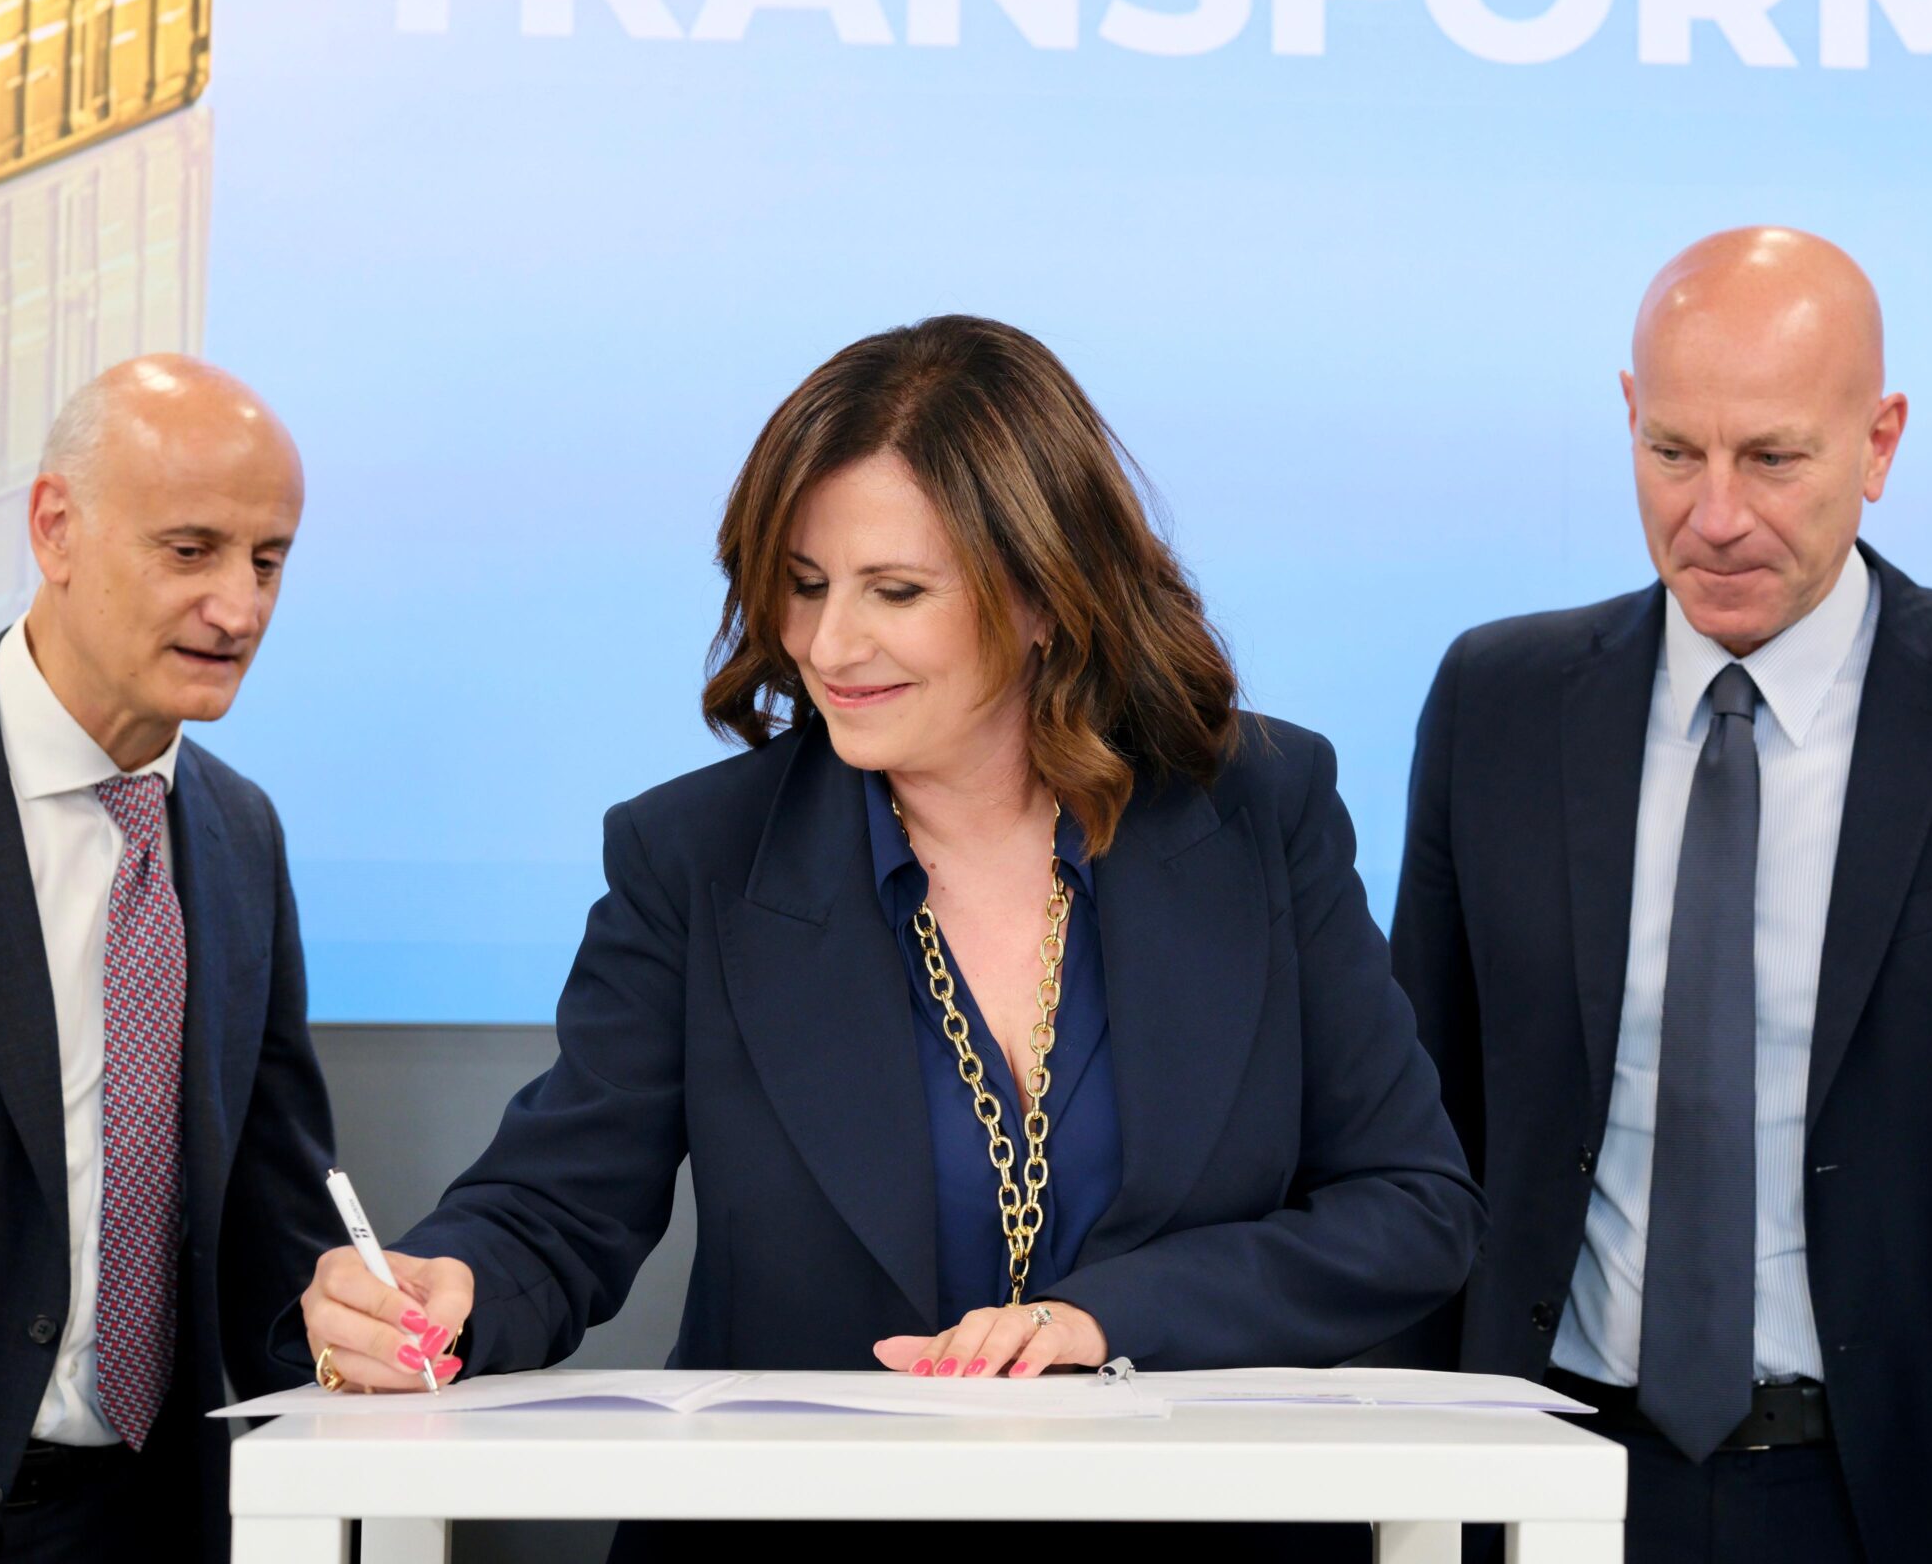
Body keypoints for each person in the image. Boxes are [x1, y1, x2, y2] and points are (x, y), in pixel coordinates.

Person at [293, 314, 1484, 1560]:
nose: (827, 646)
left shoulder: (1256, 810)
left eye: (895, 592)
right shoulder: (696, 855)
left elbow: (1410, 1207)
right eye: (804, 585)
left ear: (1045, 593)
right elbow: (556, 1206)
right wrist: (448, 1288)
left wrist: (1104, 1319)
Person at [1388, 228, 1932, 1564]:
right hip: (1543, 1478)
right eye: (1673, 452)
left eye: (1774, 459)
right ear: (1627, 414)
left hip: (1897, 1501)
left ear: (1880, 443)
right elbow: (1418, 1134)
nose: (1716, 514)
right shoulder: (1496, 703)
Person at [0, 357, 339, 1564]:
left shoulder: (240, 832)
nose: (239, 610)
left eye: (267, 562)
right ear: (56, 527)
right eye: (191, 551)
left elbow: (276, 1213)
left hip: (155, 1522)